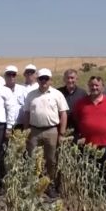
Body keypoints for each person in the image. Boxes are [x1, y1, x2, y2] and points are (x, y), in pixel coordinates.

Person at [22, 68, 68, 196]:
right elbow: (26, 113)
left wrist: (62, 133)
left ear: (50, 80)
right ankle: (34, 184)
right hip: (34, 130)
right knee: (32, 158)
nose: (43, 81)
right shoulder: (31, 95)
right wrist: (26, 132)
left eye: (46, 78)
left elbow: (63, 114)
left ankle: (49, 184)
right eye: (41, 78)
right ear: (37, 80)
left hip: (51, 130)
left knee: (51, 159)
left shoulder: (57, 94)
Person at [73, 76, 106, 192]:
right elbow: (76, 119)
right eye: (92, 85)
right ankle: (90, 191)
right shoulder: (81, 103)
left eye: (97, 85)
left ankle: (105, 192)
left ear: (102, 87)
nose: (94, 87)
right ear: (88, 87)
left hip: (105, 142)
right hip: (87, 144)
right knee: (88, 168)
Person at [2, 65, 27, 130]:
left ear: (16, 76)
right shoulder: (0, 90)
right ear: (5, 76)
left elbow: (27, 108)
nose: (11, 77)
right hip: (4, 125)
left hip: (20, 125)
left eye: (13, 75)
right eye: (8, 74)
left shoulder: (23, 89)